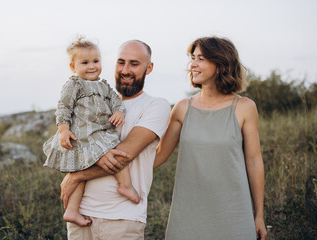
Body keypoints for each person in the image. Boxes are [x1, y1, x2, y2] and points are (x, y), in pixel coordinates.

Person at [154, 36, 268, 240]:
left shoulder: (244, 107)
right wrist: (114, 165)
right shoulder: (181, 108)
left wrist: (259, 215)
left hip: (234, 212)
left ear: (221, 63)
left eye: (201, 59)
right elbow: (159, 154)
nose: (193, 65)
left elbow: (253, 162)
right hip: (188, 212)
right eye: (193, 58)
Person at [60, 40, 171, 240]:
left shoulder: (156, 106)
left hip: (122, 218)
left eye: (134, 64)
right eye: (121, 62)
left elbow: (122, 156)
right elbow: (74, 141)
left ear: (149, 68)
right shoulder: (95, 100)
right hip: (81, 215)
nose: (125, 70)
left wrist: (74, 177)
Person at [43, 37, 141, 227]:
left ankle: (72, 210)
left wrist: (119, 111)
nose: (91, 66)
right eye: (85, 62)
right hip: (81, 134)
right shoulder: (74, 84)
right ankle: (125, 186)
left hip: (98, 132)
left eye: (96, 61)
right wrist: (63, 130)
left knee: (83, 169)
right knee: (114, 152)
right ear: (73, 66)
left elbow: (116, 101)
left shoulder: (103, 85)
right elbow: (63, 107)